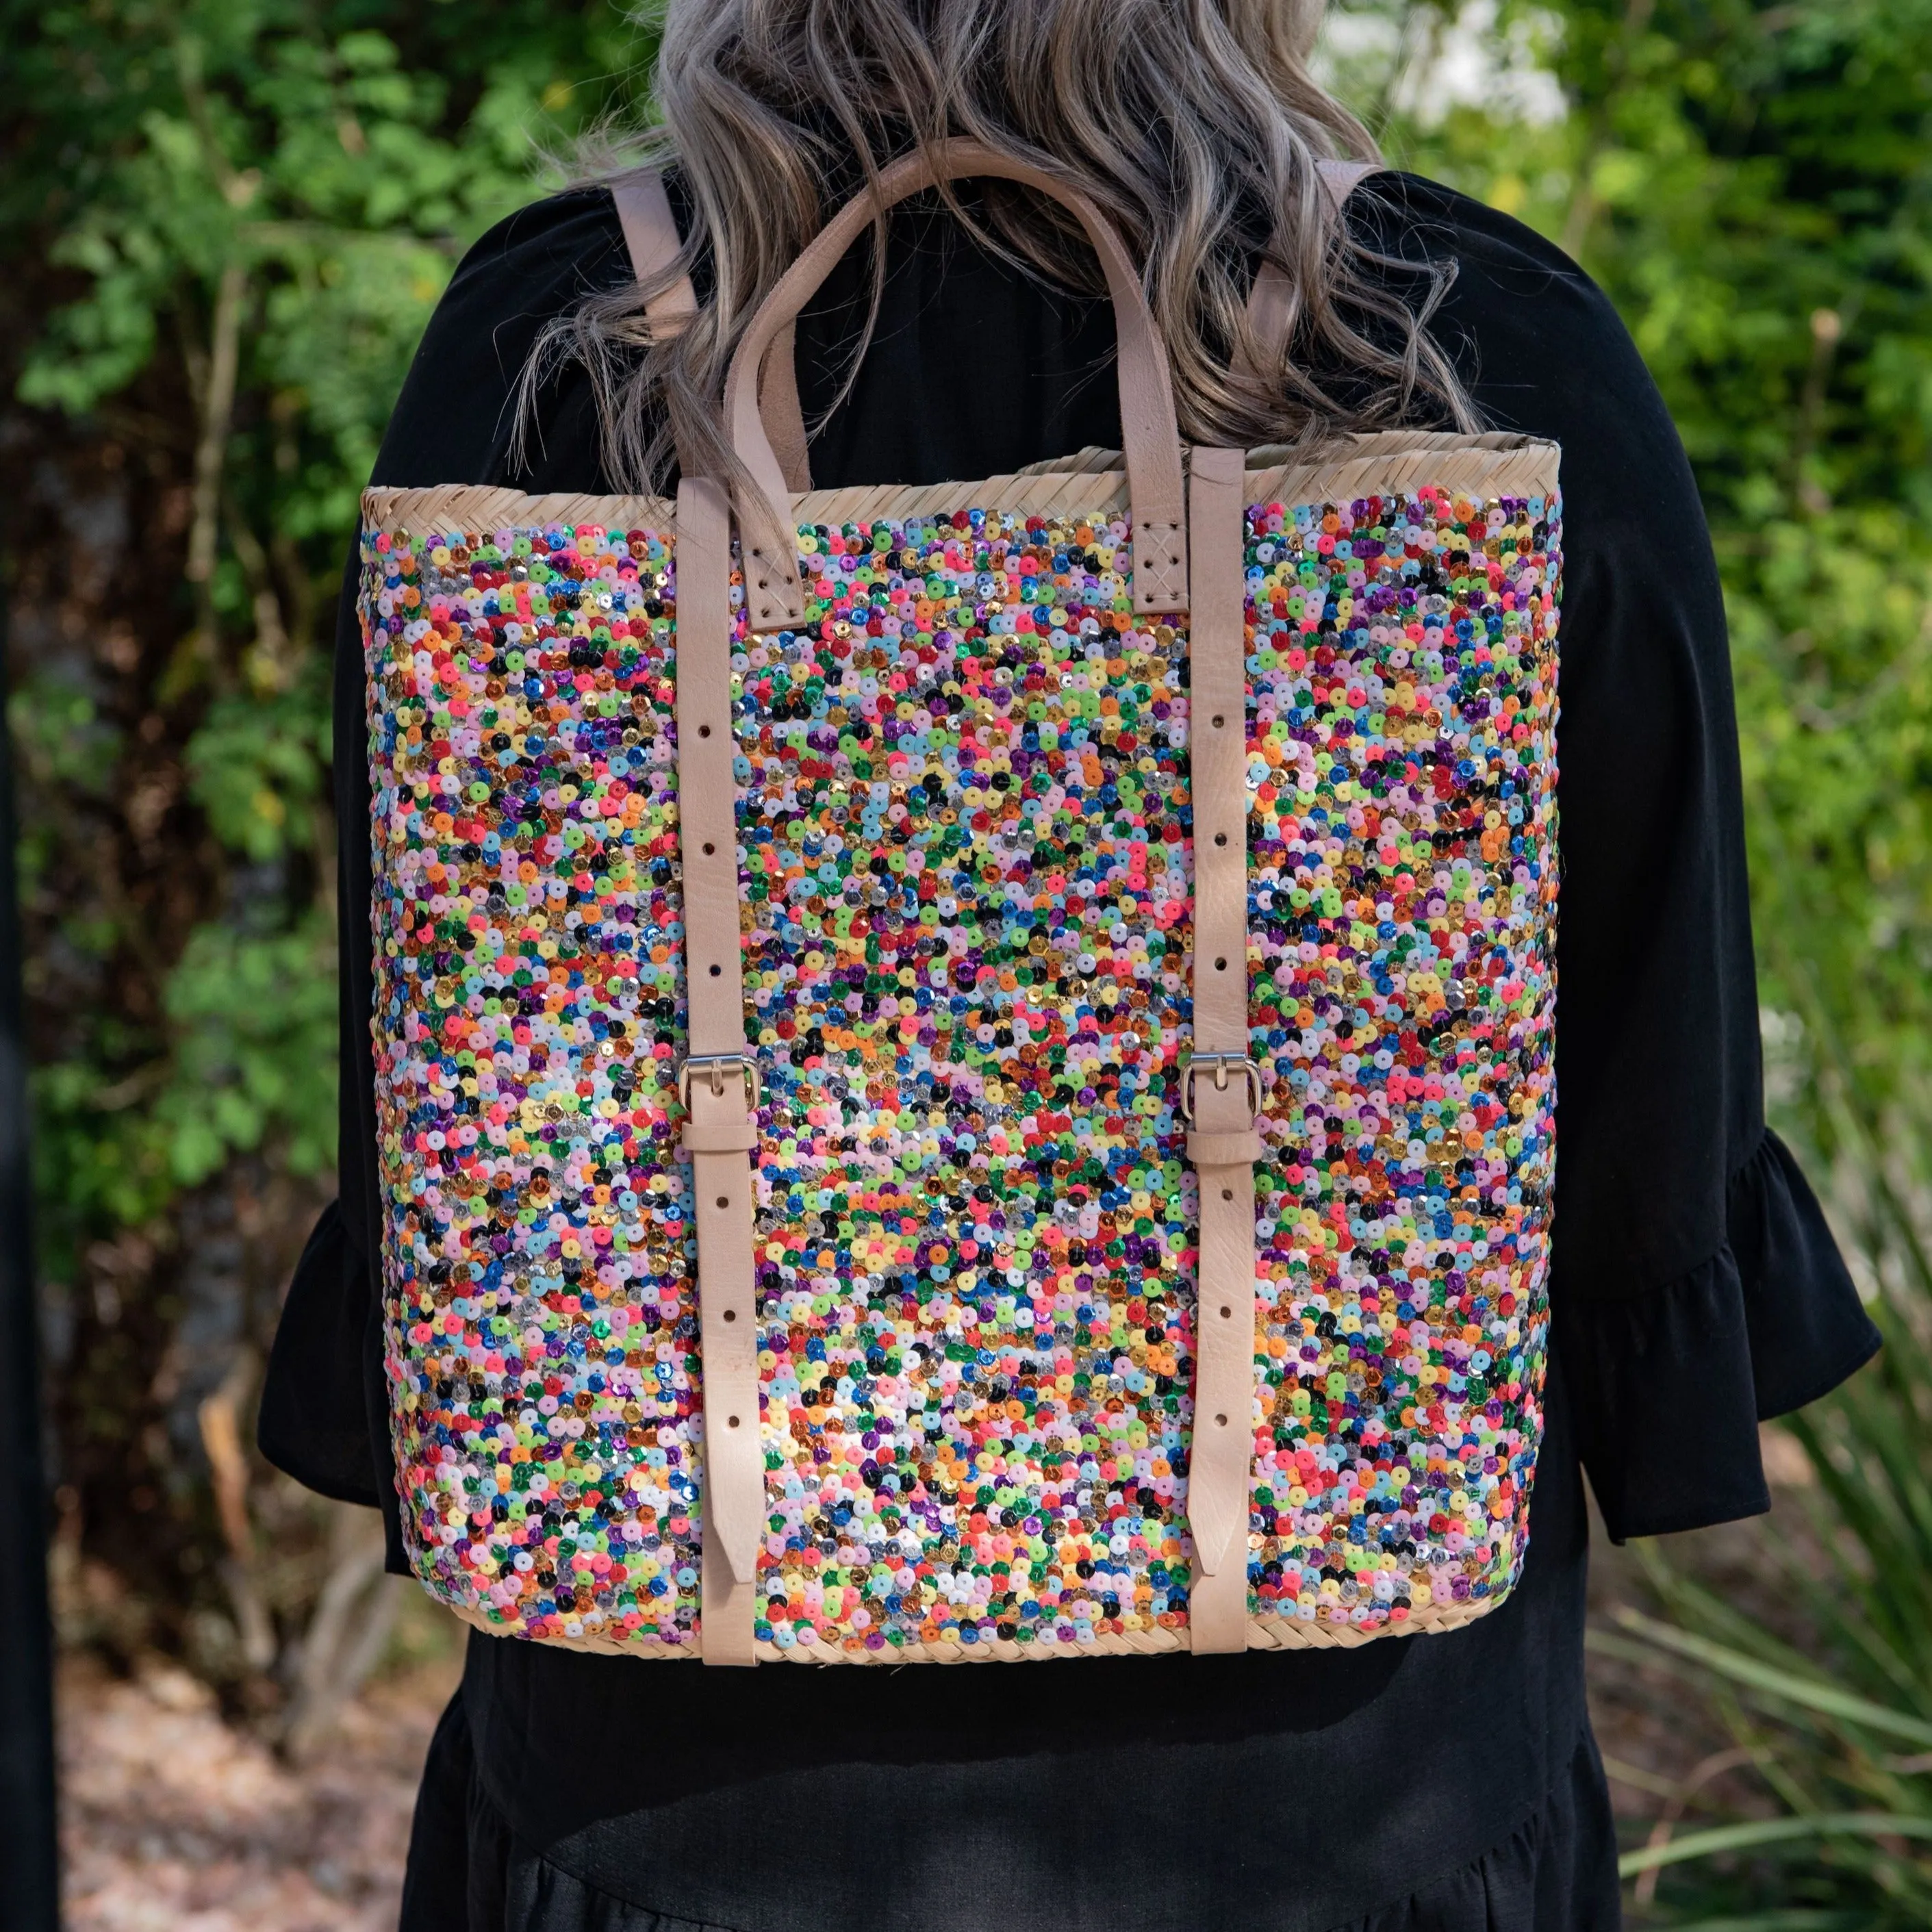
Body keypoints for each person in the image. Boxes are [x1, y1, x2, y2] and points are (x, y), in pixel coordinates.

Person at [259, 3, 1880, 1927]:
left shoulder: (570, 352)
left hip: (682, 1791)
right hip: (1347, 1788)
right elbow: (1649, 1059)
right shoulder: (1453, 344)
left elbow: (440, 1070)